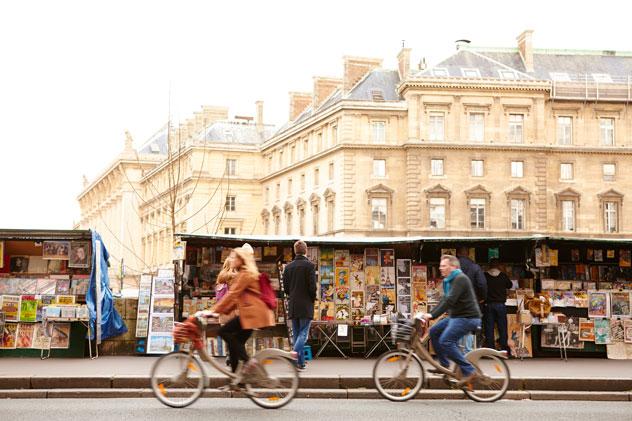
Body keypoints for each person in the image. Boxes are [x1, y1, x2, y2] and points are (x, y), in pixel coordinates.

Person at [211, 246, 275, 374]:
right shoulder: (245, 272)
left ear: (241, 260)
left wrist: (213, 311)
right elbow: (235, 299)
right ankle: (236, 380)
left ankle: (248, 361)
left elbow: (232, 294)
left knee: (224, 332)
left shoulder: (245, 274)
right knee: (234, 344)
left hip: (252, 315)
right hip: (252, 315)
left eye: (234, 257)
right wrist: (224, 309)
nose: (231, 259)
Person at [421, 255, 482, 386]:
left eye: (444, 266)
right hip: (456, 316)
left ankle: (469, 370)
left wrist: (432, 316)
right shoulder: (448, 280)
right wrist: (430, 313)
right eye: (440, 265)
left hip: (468, 317)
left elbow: (450, 300)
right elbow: (444, 300)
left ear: (453, 267)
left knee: (446, 341)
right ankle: (444, 365)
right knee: (434, 331)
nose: (440, 268)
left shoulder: (460, 279)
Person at [282, 240, 317, 371]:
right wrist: (312, 299)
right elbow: (312, 288)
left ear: (294, 251)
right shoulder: (310, 266)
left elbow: (285, 288)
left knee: (297, 334)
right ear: (306, 251)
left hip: (293, 304)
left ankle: (300, 363)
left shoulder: (288, 267)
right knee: (304, 334)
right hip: (306, 304)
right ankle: (294, 357)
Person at [456, 247, 487, 351]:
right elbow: (482, 284)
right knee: (469, 327)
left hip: (457, 301)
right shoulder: (475, 266)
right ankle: (468, 350)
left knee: (457, 325)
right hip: (472, 301)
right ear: (468, 253)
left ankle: (460, 350)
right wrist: (482, 297)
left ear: (458, 254)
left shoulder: (453, 267)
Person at [484, 259, 512, 352]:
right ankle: (504, 348)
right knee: (502, 327)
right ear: (498, 266)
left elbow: (481, 286)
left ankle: (490, 349)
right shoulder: (503, 276)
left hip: (489, 305)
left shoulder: (485, 276)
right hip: (500, 305)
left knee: (489, 327)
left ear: (489, 266)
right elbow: (510, 285)